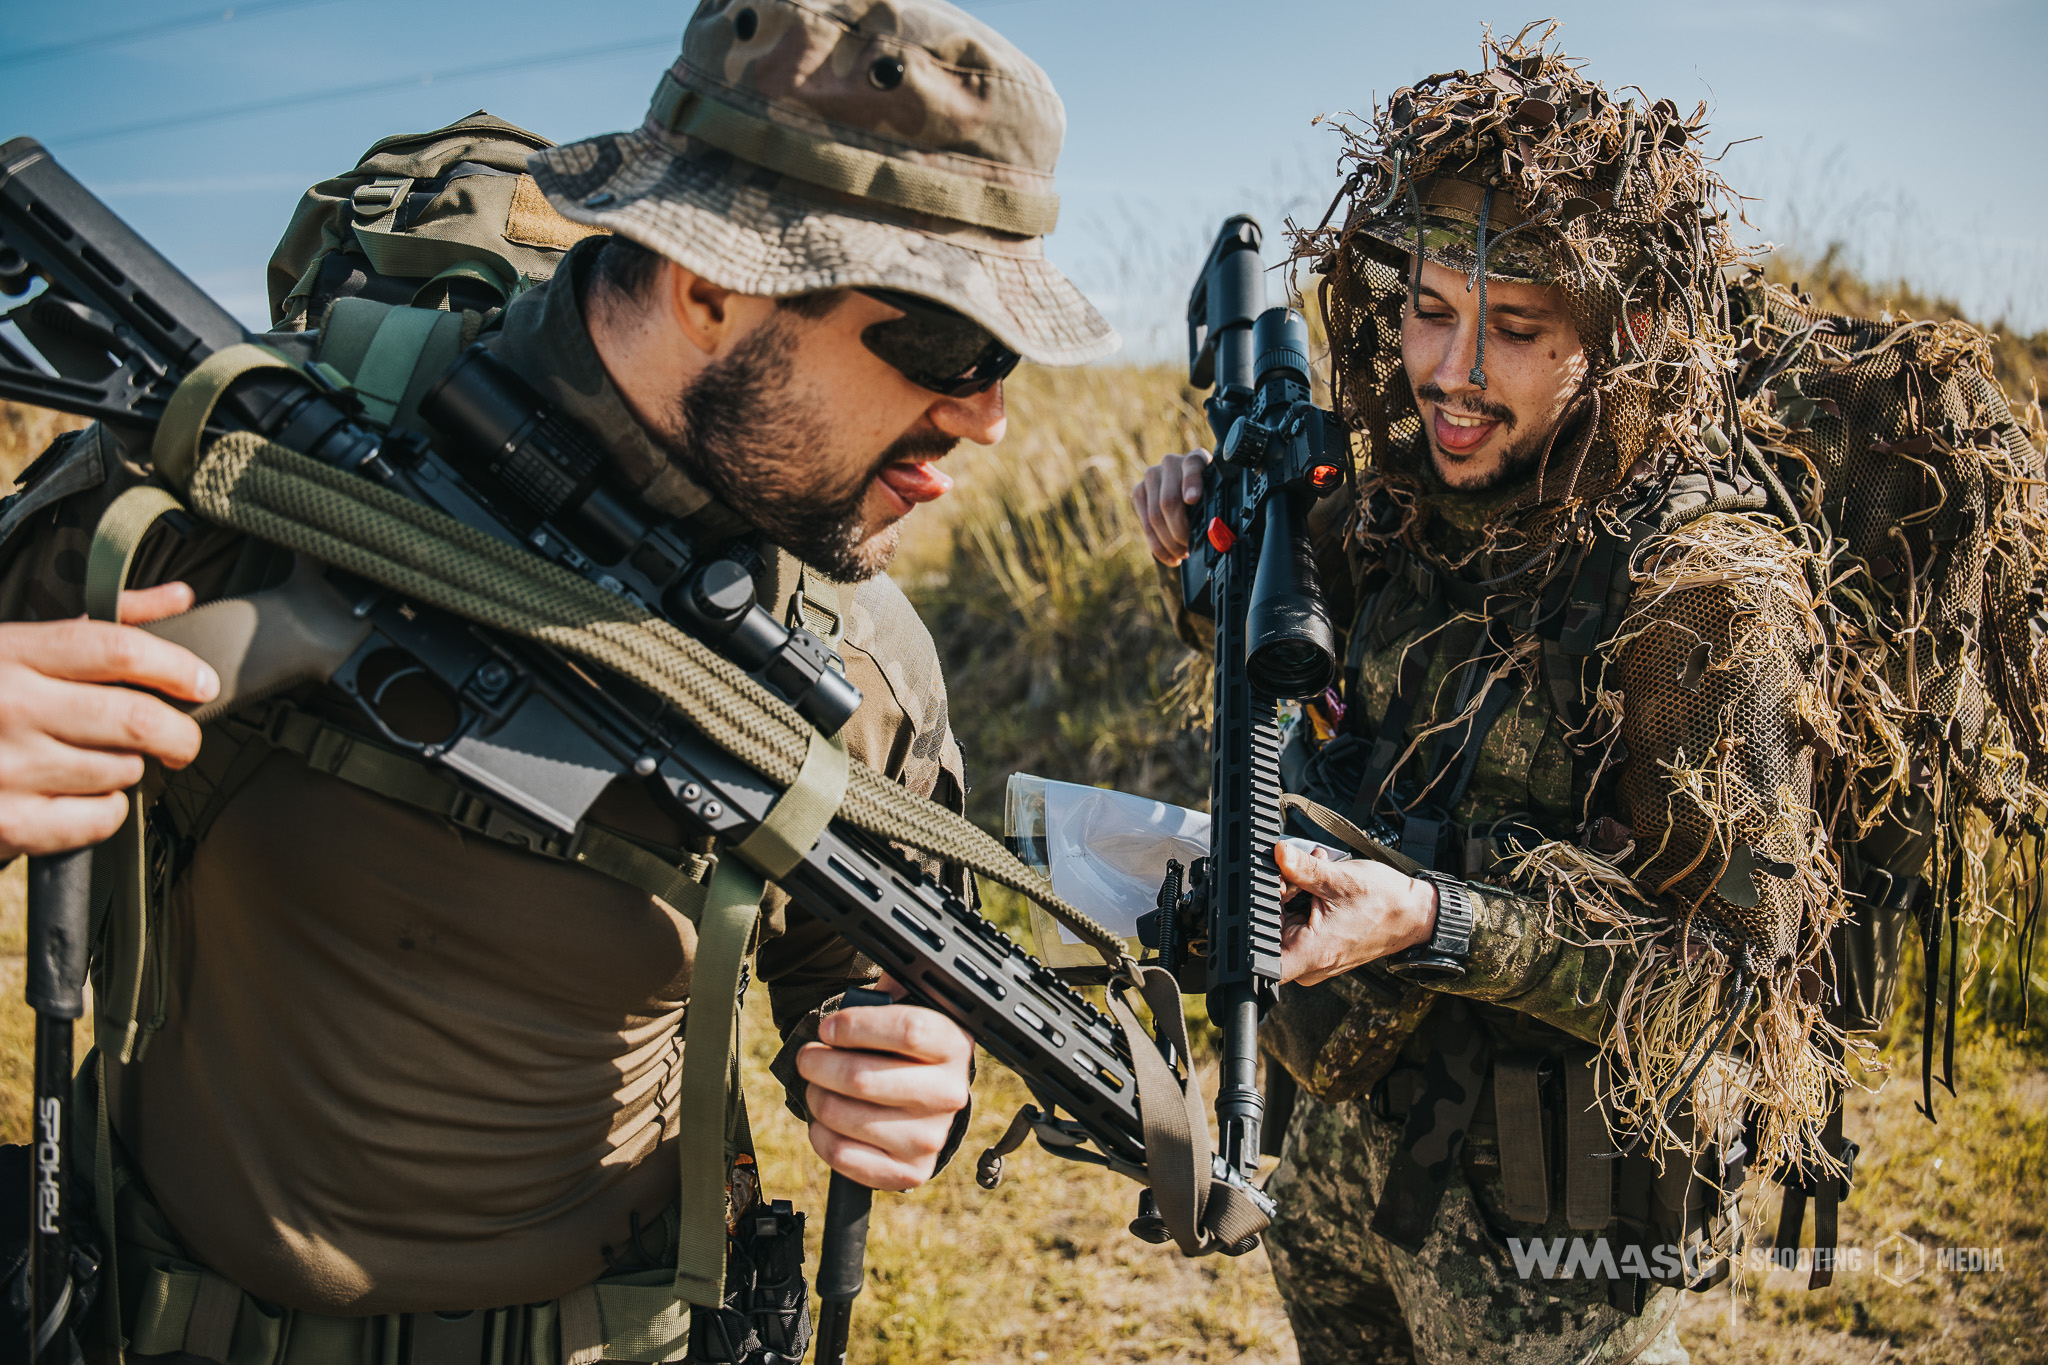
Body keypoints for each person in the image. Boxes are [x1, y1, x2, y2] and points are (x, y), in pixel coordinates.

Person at [0, 0, 1113, 1356]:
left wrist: (909, 1069)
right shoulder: (235, 474)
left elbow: (865, 965)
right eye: (946, 343)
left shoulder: (858, 653)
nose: (991, 414)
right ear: (710, 284)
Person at [1134, 26, 1844, 1365]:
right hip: (1334, 1172)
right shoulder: (1396, 500)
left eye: (1515, 329)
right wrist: (1205, 565)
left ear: (1621, 330)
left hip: (1551, 1243)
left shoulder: (1696, 592)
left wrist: (1440, 919)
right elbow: (1317, 693)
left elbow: (1733, 972)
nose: (1454, 372)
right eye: (1428, 312)